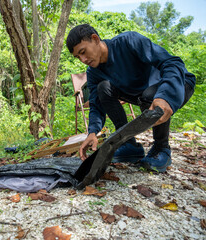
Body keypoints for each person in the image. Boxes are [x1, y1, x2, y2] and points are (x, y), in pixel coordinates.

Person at [66, 24, 195, 172]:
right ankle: (129, 145)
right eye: (78, 57)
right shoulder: (94, 72)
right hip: (141, 95)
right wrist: (93, 132)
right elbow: (96, 104)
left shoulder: (128, 42)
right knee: (103, 88)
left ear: (95, 39)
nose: (83, 59)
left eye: (83, 52)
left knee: (150, 95)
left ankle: (162, 148)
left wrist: (165, 95)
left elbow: (172, 63)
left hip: (178, 84)